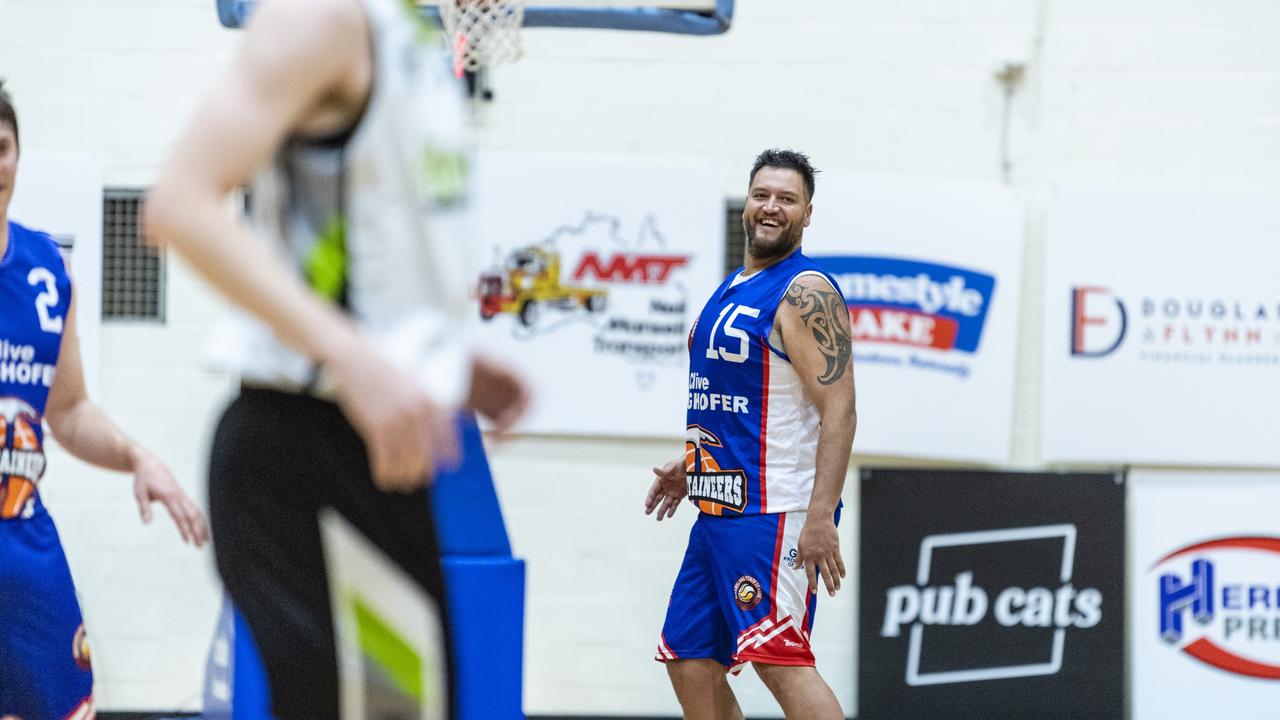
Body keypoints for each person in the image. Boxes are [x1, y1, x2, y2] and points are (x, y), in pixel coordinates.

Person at [144, 0, 530, 717]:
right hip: (299, 448)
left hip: (379, 455)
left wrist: (449, 361)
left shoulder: (415, 32)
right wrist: (354, 359)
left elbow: (362, 247)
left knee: (409, 709)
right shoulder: (320, 16)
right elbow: (178, 204)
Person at [0, 79, 210, 720]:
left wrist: (138, 457)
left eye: (2, 147)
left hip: (21, 537)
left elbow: (67, 411)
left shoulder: (45, 270)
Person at [644, 149, 857, 720]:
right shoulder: (734, 285)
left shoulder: (806, 292)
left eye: (787, 199)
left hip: (776, 508)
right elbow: (732, 401)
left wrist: (821, 514)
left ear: (807, 213)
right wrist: (691, 464)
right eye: (763, 194)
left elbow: (840, 412)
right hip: (718, 506)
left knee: (778, 658)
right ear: (747, 202)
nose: (771, 207)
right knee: (688, 658)